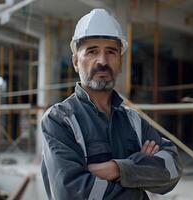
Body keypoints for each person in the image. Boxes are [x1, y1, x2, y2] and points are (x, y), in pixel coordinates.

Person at [41, 8, 182, 200]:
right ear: (75, 61)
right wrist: (139, 179)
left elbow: (172, 169)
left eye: (111, 51)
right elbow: (72, 194)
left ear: (120, 61)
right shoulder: (59, 120)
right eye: (92, 51)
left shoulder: (133, 120)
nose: (102, 61)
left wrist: (118, 169)